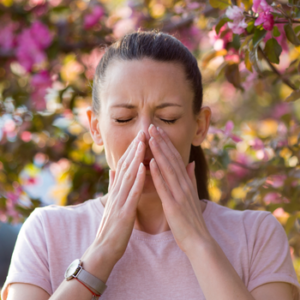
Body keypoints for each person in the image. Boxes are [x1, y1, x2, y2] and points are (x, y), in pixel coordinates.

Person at [2, 30, 300, 300]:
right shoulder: (47, 232)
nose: (144, 135)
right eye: (123, 119)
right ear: (95, 127)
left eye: (167, 118)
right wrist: (102, 252)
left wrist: (197, 242)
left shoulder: (256, 235)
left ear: (200, 126)